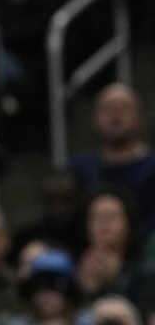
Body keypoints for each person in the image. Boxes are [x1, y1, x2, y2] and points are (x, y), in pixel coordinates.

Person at [69, 84, 155, 242]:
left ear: (140, 118)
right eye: (107, 109)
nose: (115, 115)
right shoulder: (80, 169)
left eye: (123, 108)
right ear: (94, 119)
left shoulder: (152, 168)